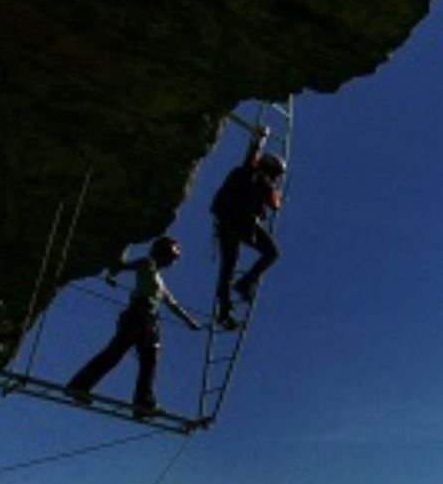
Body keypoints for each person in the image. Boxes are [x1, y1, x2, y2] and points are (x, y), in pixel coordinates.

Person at [66, 235, 202, 416]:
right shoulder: (148, 264)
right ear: (163, 253)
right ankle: (82, 386)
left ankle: (140, 403)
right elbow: (122, 267)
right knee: (122, 355)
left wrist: (190, 321)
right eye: (172, 257)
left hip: (147, 319)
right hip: (138, 316)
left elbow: (171, 303)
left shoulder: (159, 280)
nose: (173, 262)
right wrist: (110, 276)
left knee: (144, 358)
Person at [211, 126, 284, 330]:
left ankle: (226, 309)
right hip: (240, 224)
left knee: (228, 268)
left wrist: (260, 140)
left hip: (232, 224)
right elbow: (252, 156)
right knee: (270, 253)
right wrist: (260, 138)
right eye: (276, 174)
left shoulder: (255, 177)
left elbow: (273, 203)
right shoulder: (253, 175)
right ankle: (240, 289)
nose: (276, 179)